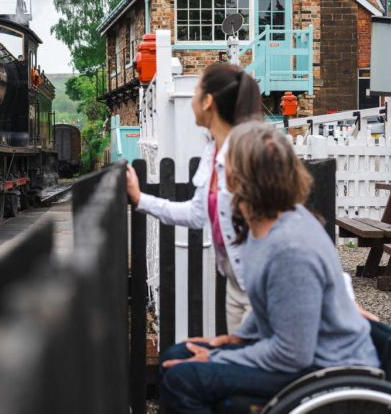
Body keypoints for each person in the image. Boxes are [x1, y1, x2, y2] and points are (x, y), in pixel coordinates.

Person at [158, 122, 379, 414]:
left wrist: (217, 359)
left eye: (224, 166)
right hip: (304, 357)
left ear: (240, 180)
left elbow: (291, 354)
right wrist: (235, 339)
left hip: (328, 371)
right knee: (176, 355)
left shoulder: (290, 250)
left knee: (183, 381)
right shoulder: (264, 226)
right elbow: (274, 307)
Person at [126, 63, 263, 332]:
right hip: (237, 284)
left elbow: (293, 225)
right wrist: (140, 198)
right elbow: (197, 213)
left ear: (208, 101)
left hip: (261, 287)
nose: (191, 102)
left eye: (196, 92)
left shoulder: (253, 155)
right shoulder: (212, 151)